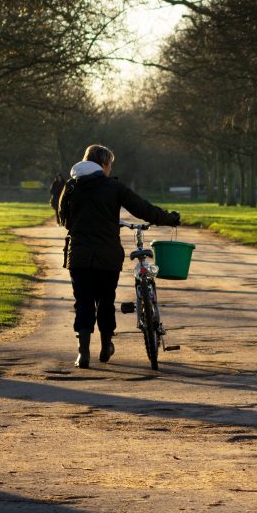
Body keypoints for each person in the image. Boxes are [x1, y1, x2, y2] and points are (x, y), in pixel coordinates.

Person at [57, 144, 180, 368]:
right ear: (103, 164)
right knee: (106, 301)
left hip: (79, 255)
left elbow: (64, 219)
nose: (110, 170)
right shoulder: (112, 187)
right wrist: (169, 218)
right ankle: (106, 345)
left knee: (83, 301)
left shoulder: (71, 186)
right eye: (109, 165)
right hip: (107, 255)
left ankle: (82, 353)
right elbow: (143, 209)